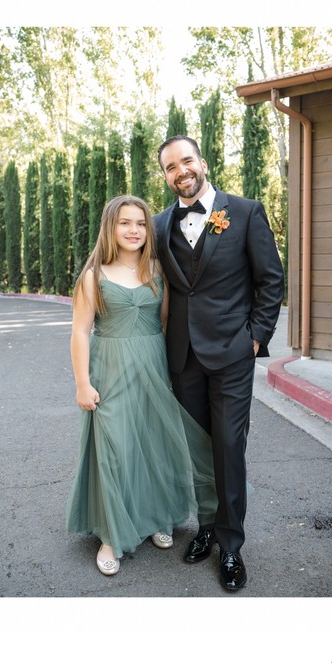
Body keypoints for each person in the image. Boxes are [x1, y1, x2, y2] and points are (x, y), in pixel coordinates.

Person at [154, 135, 283, 591]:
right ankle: (206, 526)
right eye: (171, 167)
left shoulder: (245, 212)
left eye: (186, 161)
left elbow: (271, 280)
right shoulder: (158, 224)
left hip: (232, 355)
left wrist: (256, 338)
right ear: (166, 175)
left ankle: (230, 546)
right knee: (198, 453)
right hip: (182, 357)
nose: (180, 171)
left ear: (202, 163)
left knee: (228, 448)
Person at [65, 195, 217, 576]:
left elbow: (163, 324)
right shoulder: (93, 276)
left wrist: (169, 372)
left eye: (140, 223)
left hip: (152, 368)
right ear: (110, 228)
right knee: (116, 450)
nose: (133, 230)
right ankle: (111, 537)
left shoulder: (158, 271)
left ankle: (154, 518)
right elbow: (81, 332)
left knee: (153, 446)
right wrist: (82, 383)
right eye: (124, 223)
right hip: (110, 369)